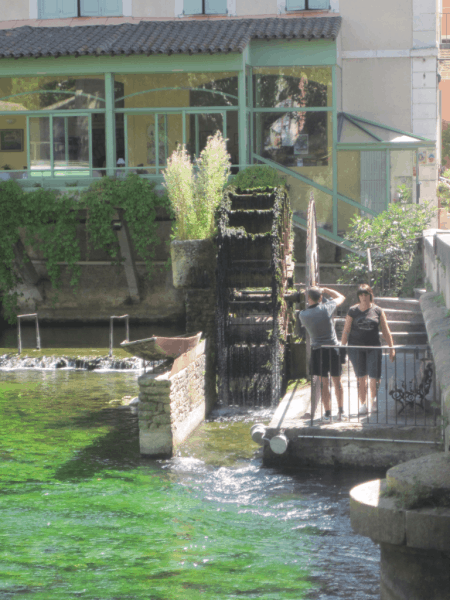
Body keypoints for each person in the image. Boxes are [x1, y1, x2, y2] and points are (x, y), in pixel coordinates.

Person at [341, 284, 395, 415]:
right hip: (355, 348)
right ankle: (363, 404)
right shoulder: (353, 311)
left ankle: (374, 400)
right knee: (361, 377)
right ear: (358, 296)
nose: (363, 297)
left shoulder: (377, 310)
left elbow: (386, 330)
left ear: (370, 295)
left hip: (373, 348)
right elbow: (346, 330)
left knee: (374, 377)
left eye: (365, 294)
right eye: (361, 295)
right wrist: (342, 347)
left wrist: (391, 348)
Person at [299, 286, 346, 422]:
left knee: (324, 383)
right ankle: (341, 412)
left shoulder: (303, 315)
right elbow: (341, 297)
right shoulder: (326, 307)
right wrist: (325, 289)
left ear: (308, 299)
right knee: (337, 382)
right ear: (320, 298)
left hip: (317, 351)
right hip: (333, 349)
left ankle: (327, 414)